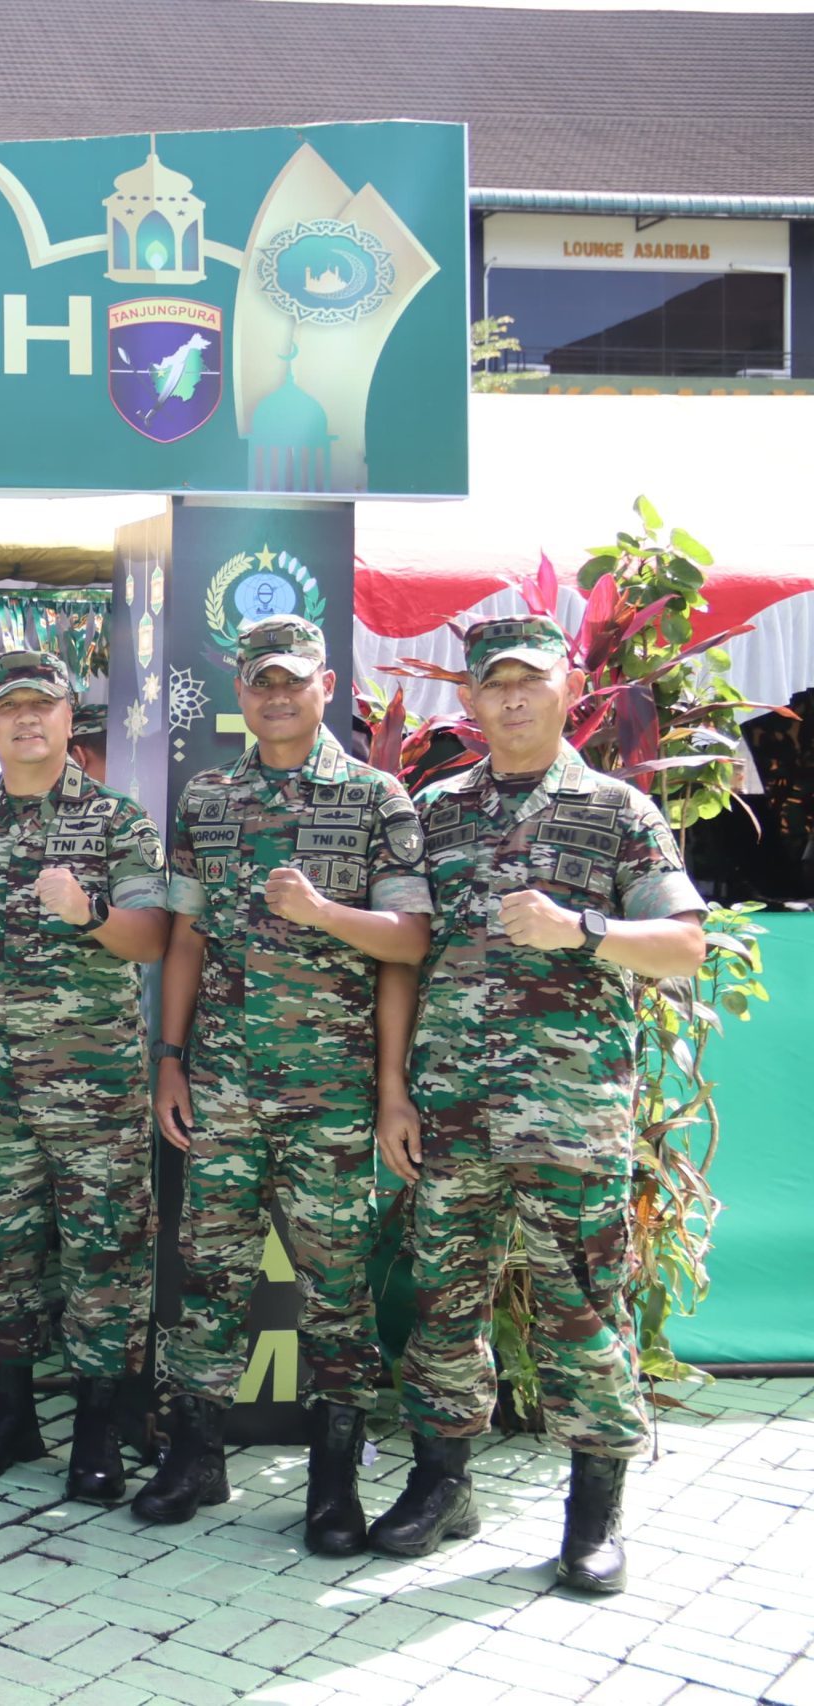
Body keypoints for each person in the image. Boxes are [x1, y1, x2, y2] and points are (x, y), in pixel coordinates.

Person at [370, 616, 707, 1595]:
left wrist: (582, 928)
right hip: (449, 1110)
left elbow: (684, 944)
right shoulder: (431, 811)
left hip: (571, 1113)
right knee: (443, 1304)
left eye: (529, 679)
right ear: (468, 700)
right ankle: (442, 1484)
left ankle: (592, 1514)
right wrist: (392, 1087)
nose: (511, 697)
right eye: (493, 683)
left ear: (567, 688)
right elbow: (403, 954)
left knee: (580, 1313)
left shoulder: (616, 810)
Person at [138, 616, 433, 1550]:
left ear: (326, 685)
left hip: (335, 1092)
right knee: (208, 1273)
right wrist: (170, 1059)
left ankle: (333, 1480)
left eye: (292, 681)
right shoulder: (210, 796)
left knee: (335, 1287)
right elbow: (186, 937)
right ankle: (195, 1457)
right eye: (260, 680)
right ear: (240, 687)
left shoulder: (378, 796)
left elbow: (410, 944)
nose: (275, 695)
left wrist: (322, 913)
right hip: (221, 1081)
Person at [0, 651, 169, 1505]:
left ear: (72, 718)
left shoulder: (118, 821)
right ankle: (9, 1416)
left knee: (104, 1255)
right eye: (9, 709)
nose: (26, 721)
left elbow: (155, 938)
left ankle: (99, 1427)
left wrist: (92, 913)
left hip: (99, 1086)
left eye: (42, 706)